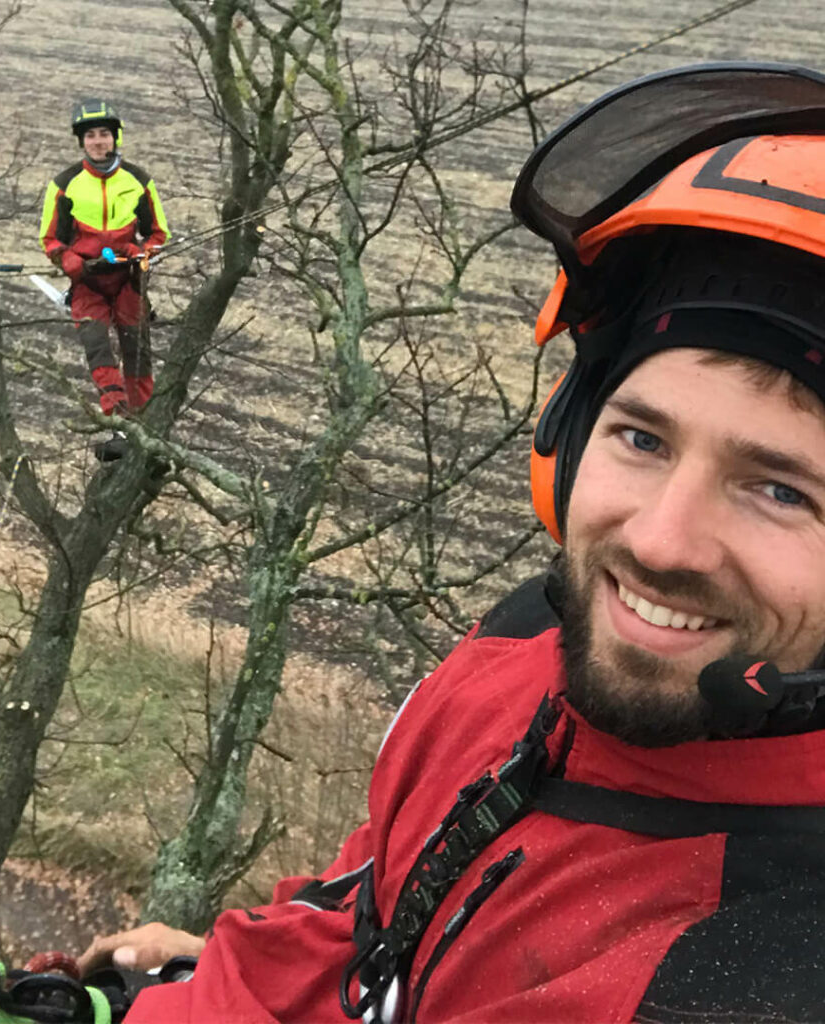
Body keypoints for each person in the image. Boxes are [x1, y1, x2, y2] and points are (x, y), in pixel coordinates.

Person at [78, 63, 825, 1022]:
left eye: (778, 489)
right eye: (641, 437)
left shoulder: (754, 976)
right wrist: (181, 989)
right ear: (569, 437)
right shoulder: (523, 646)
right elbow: (366, 919)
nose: (662, 540)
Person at [39, 98, 170, 461]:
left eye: (105, 135)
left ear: (115, 138)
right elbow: (50, 240)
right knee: (97, 347)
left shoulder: (139, 180)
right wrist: (74, 265)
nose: (98, 141)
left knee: (137, 354)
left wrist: (144, 253)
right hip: (88, 284)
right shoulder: (64, 185)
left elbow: (159, 233)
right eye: (91, 136)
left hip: (128, 280)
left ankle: (144, 428)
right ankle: (118, 423)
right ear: (82, 142)